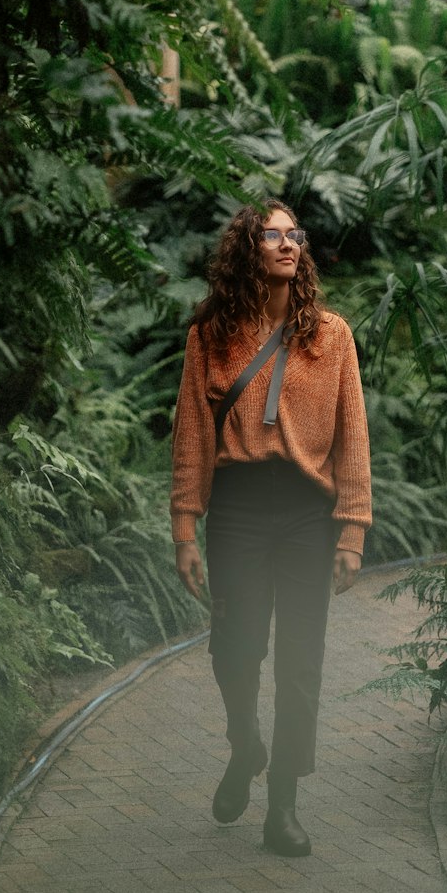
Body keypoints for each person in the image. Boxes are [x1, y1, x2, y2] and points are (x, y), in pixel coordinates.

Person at [170, 201, 372, 857]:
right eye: (272, 234)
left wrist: (351, 532)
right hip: (237, 508)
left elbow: (353, 439)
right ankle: (244, 744)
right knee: (235, 645)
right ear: (247, 249)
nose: (287, 244)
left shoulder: (332, 336)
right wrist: (183, 527)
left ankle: (282, 803)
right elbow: (193, 436)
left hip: (308, 514)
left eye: (294, 234)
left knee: (300, 661)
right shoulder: (211, 335)